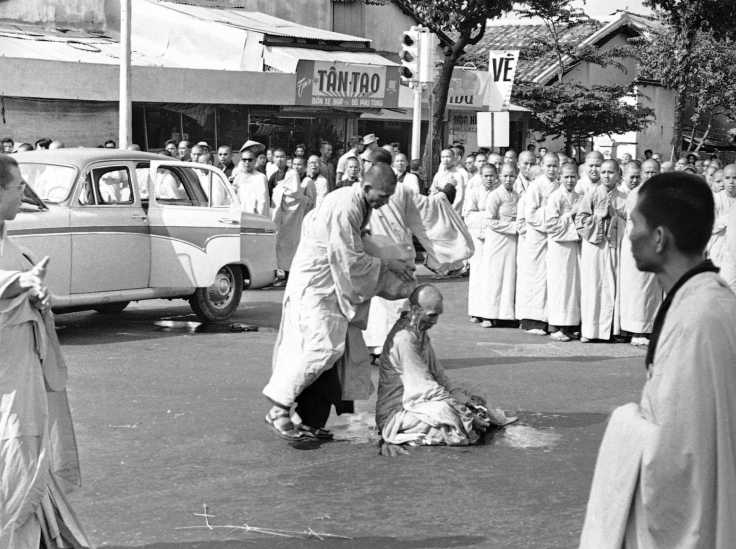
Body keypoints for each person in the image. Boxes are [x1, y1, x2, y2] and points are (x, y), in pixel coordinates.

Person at [579, 172, 736, 548]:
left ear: (660, 238)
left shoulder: (699, 318)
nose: (629, 233)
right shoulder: (698, 302)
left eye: (635, 222)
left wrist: (624, 421)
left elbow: (679, 455)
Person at [263, 164, 415, 441]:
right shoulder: (347, 205)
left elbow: (350, 248)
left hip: (330, 286)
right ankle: (279, 407)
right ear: (367, 187)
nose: (385, 202)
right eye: (382, 195)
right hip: (317, 288)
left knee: (332, 358)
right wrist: (387, 263)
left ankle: (310, 420)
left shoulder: (358, 202)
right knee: (323, 349)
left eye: (389, 196)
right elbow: (349, 260)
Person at [0, 154, 94, 548]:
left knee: (27, 459)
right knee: (15, 462)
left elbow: (28, 294)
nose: (25, 191)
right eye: (17, 185)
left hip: (25, 379)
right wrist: (18, 284)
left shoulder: (16, 248)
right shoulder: (17, 261)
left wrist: (38, 297)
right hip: (7, 388)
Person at [375, 285, 514, 447]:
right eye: (431, 316)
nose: (435, 322)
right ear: (416, 310)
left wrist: (466, 402)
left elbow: (439, 375)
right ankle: (467, 424)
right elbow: (425, 387)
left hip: (419, 398)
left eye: (437, 316)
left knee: (472, 391)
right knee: (447, 413)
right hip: (398, 411)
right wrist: (465, 413)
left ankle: (471, 420)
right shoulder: (404, 339)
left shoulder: (418, 330)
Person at [575, 159, 628, 342]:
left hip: (613, 246)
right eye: (603, 172)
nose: (606, 175)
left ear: (618, 174)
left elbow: (630, 224)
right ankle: (589, 331)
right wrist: (598, 217)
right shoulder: (591, 194)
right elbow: (580, 221)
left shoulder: (623, 198)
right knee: (592, 286)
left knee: (612, 286)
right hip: (594, 246)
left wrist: (615, 218)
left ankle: (611, 331)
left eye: (611, 172)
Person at [619, 159, 662, 347]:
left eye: (654, 172)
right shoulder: (637, 194)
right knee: (638, 289)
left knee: (652, 290)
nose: (650, 176)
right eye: (647, 172)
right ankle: (636, 331)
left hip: (656, 245)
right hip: (638, 243)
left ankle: (649, 329)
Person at [518, 152, 561, 335]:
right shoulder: (536, 186)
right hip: (537, 237)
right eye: (548, 166)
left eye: (554, 166)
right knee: (535, 278)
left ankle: (549, 320)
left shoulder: (560, 186)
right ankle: (532, 322)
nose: (551, 169)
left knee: (551, 279)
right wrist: (551, 216)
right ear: (541, 166)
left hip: (554, 237)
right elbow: (531, 215)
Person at [545, 162, 581, 342]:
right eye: (566, 177)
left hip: (573, 246)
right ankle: (557, 326)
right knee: (560, 286)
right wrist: (570, 215)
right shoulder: (554, 197)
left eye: (573, 176)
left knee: (572, 286)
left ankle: (569, 325)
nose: (569, 180)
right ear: (560, 177)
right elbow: (550, 225)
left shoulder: (579, 196)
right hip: (559, 247)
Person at [483, 164, 520, 326]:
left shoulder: (517, 196)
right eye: (505, 176)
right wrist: (512, 227)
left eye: (511, 176)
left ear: (516, 176)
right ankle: (488, 315)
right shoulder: (495, 195)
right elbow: (490, 220)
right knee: (494, 276)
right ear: (499, 176)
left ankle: (505, 315)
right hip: (497, 240)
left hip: (511, 242)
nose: (508, 179)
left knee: (509, 276)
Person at [271, 156, 316, 285]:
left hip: (301, 220)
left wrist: (300, 199)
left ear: (305, 166)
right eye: (295, 164)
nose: (297, 167)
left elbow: (311, 202)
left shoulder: (308, 182)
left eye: (300, 164)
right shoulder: (288, 180)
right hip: (287, 222)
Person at [464, 164, 497, 325]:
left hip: (496, 238)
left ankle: (490, 312)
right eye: (486, 176)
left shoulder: (499, 193)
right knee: (478, 275)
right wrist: (488, 218)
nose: (489, 179)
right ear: (481, 177)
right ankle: (476, 311)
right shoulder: (474, 193)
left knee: (492, 275)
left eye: (492, 175)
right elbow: (469, 215)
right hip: (479, 238)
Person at [716, 164, 736, 293]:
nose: (731, 182)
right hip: (718, 252)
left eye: (735, 178)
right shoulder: (716, 199)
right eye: (727, 178)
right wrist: (728, 218)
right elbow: (711, 225)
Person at [234, 149, 269, 217]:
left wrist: (260, 220)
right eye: (244, 160)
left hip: (253, 218)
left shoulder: (260, 177)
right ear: (241, 160)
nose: (247, 162)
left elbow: (262, 202)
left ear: (255, 161)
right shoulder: (238, 177)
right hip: (240, 215)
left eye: (250, 160)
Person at [430, 149, 465, 215]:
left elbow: (459, 198)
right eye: (443, 157)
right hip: (437, 209)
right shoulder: (438, 175)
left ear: (454, 159)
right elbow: (432, 191)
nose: (445, 160)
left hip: (450, 211)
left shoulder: (457, 175)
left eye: (448, 157)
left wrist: (451, 212)